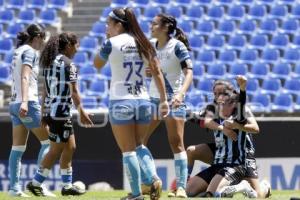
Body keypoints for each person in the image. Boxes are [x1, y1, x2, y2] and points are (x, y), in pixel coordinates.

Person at [93, 8, 169, 200]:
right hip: (143, 100)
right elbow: (158, 73)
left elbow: (97, 64)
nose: (107, 27)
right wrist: (164, 99)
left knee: (128, 151)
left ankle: (135, 194)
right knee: (139, 145)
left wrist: (107, 39)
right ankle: (152, 178)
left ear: (118, 25)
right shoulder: (145, 43)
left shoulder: (111, 43)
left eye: (109, 24)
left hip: (121, 101)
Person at [26, 32, 93, 196]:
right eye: (76, 45)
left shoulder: (50, 63)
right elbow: (74, 91)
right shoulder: (69, 65)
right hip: (61, 113)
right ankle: (36, 183)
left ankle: (67, 185)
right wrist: (82, 111)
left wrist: (43, 112)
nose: (78, 50)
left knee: (70, 147)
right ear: (69, 45)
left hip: (52, 111)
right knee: (56, 150)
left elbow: (46, 90)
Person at [186, 77, 271, 198]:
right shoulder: (212, 108)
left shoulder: (239, 110)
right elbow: (203, 120)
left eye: (220, 93)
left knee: (258, 195)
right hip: (222, 154)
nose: (217, 97)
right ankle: (185, 186)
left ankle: (264, 187)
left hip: (243, 156)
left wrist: (236, 125)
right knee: (191, 153)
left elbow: (255, 128)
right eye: (215, 94)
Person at [140, 14, 193, 198]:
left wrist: (180, 94)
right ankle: (150, 181)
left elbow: (189, 73)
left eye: (154, 23)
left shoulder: (177, 46)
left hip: (173, 101)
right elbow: (152, 72)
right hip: (153, 99)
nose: (151, 25)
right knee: (139, 142)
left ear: (164, 27)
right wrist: (150, 72)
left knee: (176, 143)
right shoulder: (151, 45)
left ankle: (181, 188)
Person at [8, 24, 55, 197]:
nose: (43, 43)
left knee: (17, 148)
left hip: (14, 104)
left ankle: (14, 189)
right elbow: (25, 76)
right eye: (43, 39)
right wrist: (26, 102)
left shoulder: (17, 51)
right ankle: (38, 185)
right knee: (48, 143)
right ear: (37, 38)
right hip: (26, 104)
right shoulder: (30, 52)